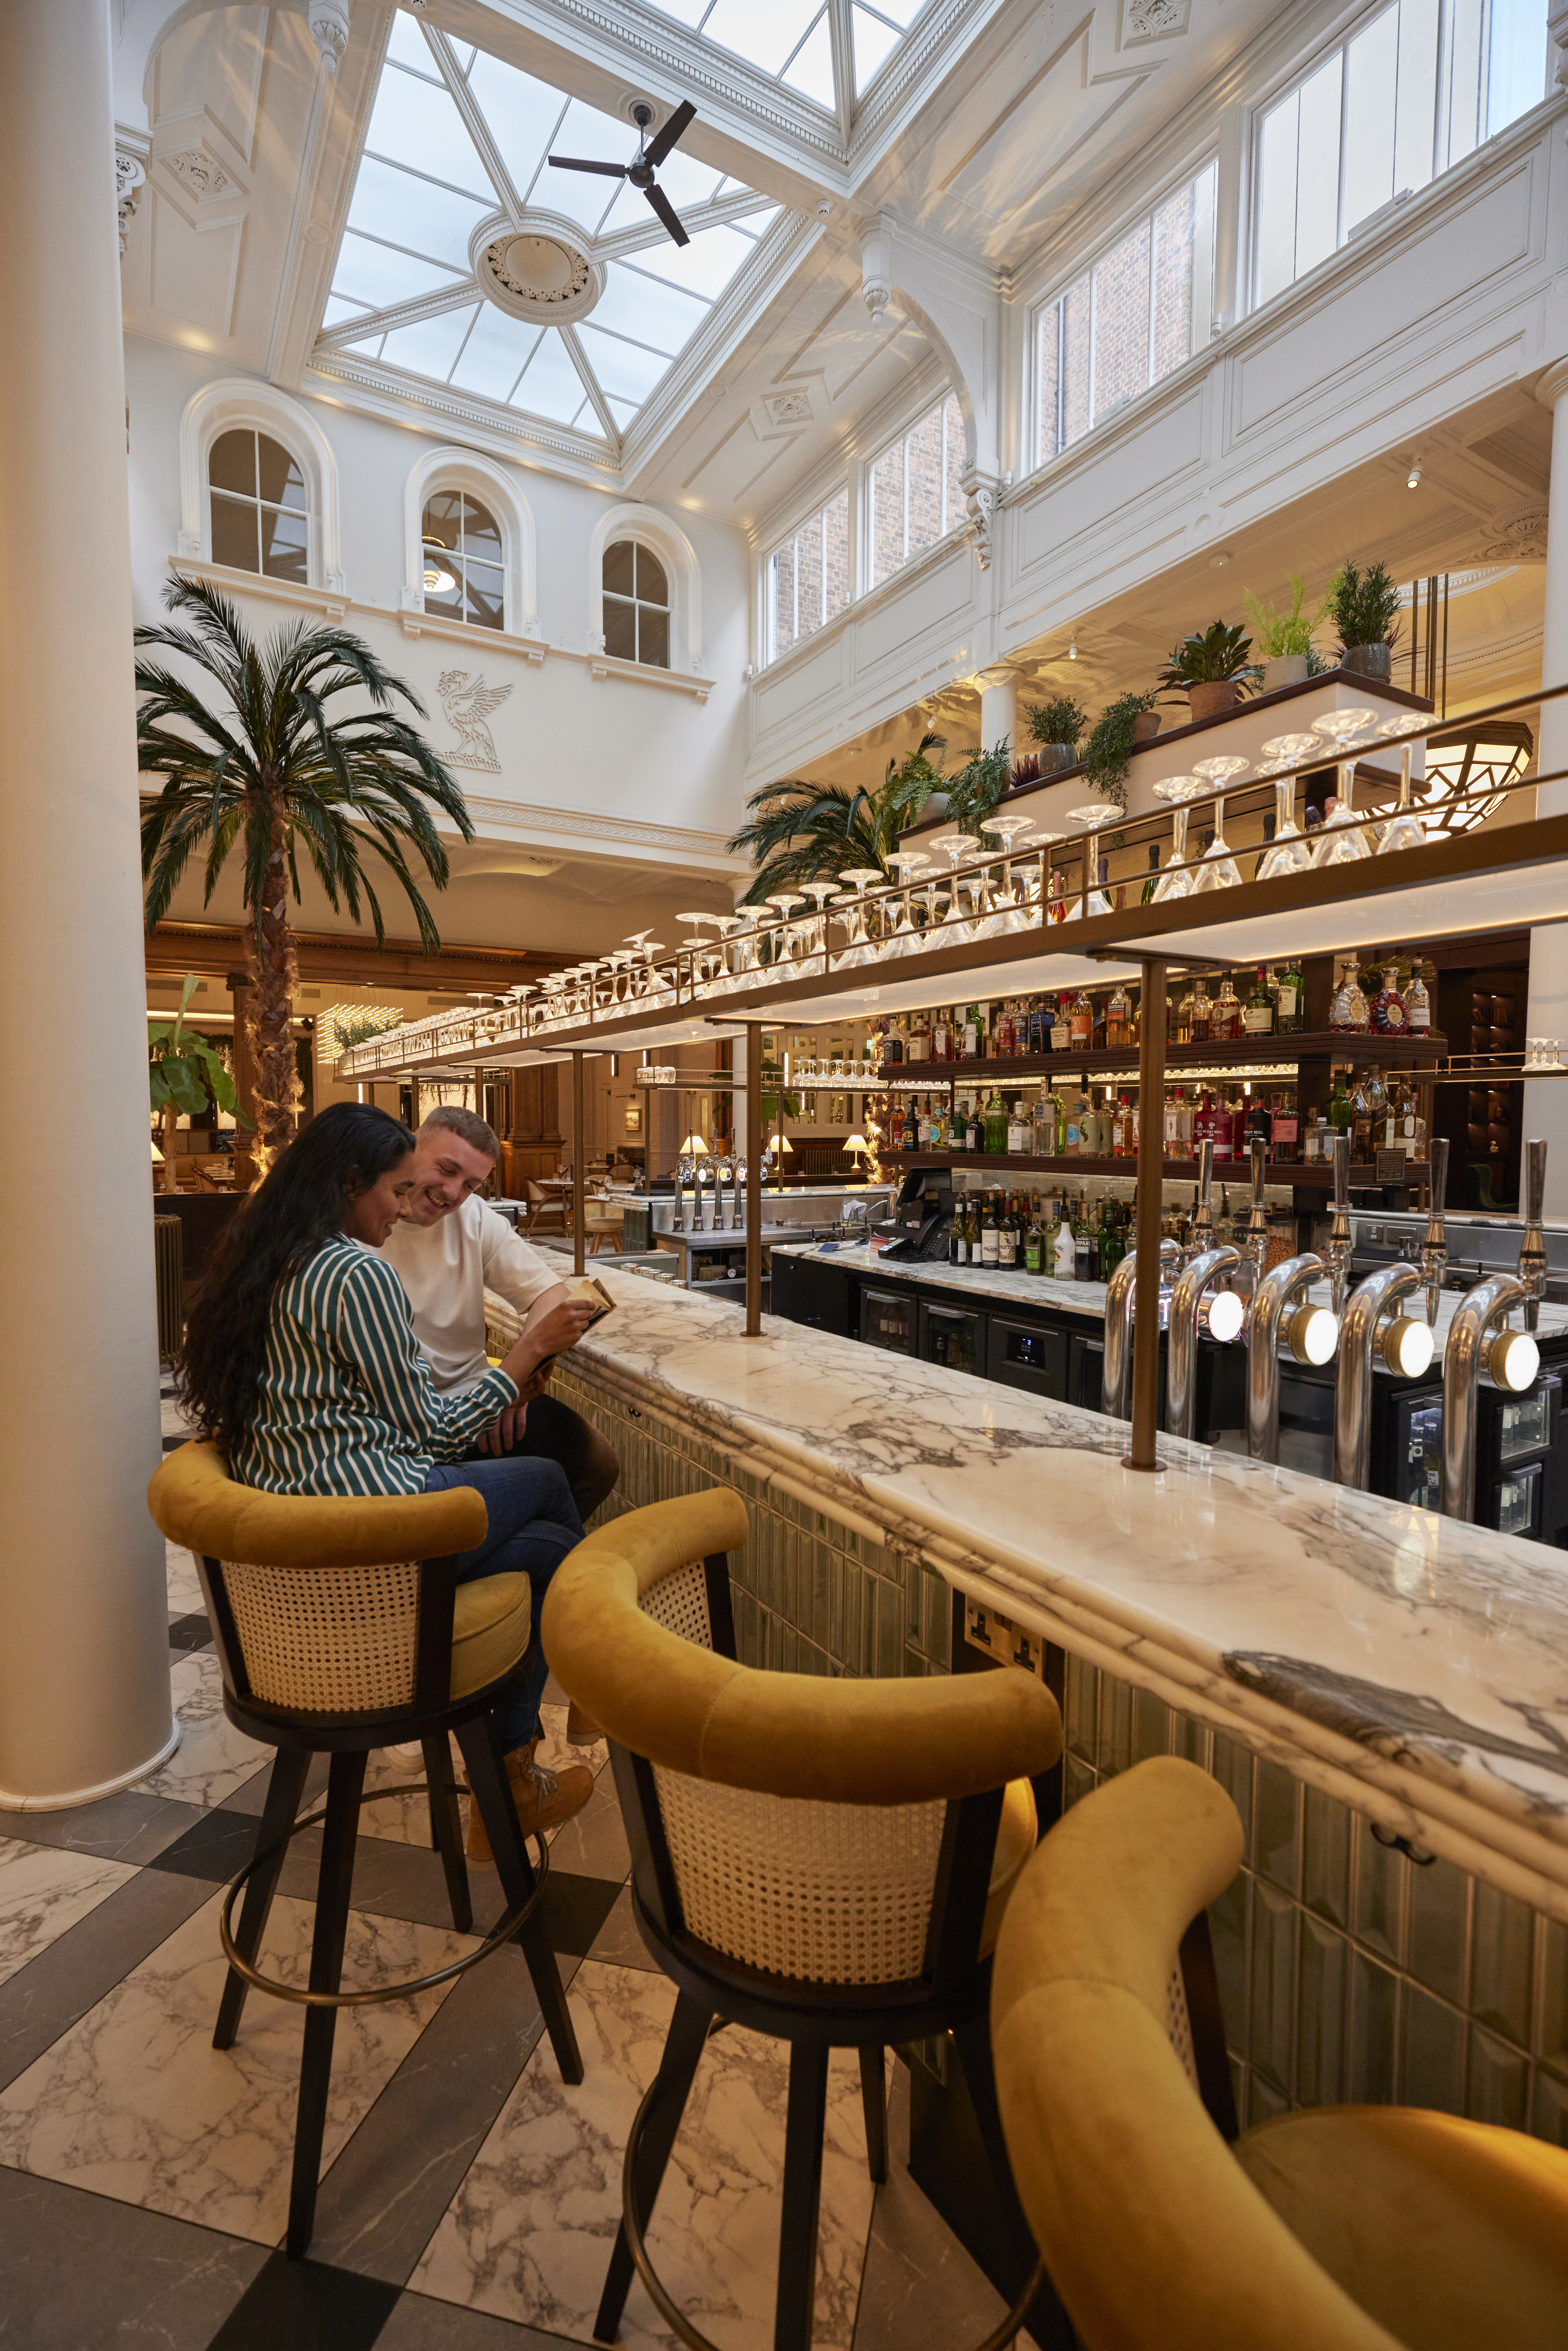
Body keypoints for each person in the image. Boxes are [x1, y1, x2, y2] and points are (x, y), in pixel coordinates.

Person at [178, 1102, 594, 1853]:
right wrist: (523, 1362)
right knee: (553, 1486)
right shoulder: (354, 1270)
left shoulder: (264, 1258)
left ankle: (519, 1763)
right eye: (396, 1192)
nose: (404, 1209)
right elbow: (426, 1431)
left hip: (297, 1541)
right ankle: (542, 1739)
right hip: (373, 1531)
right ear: (350, 1182)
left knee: (545, 1550)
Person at [379, 1106, 620, 1521]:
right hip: (402, 1418)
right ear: (409, 1149)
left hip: (475, 1399)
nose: (453, 1193)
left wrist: (509, 1383)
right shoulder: (359, 1227)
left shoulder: (472, 1218)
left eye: (471, 1185)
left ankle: (508, 1559)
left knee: (595, 1463)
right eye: (446, 1170)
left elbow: (550, 1295)